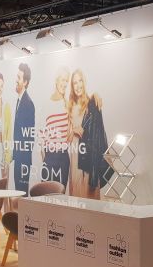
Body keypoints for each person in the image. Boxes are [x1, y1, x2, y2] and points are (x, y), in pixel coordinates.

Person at [68, 69, 110, 199]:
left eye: (80, 81)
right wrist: (73, 130)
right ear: (72, 86)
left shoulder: (92, 103)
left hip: (88, 158)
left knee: (90, 197)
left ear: (84, 82)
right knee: (76, 197)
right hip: (75, 157)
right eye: (75, 83)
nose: (78, 85)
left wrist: (96, 94)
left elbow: (97, 136)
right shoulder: (70, 106)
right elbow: (67, 139)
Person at [40, 67, 70, 189]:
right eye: (62, 79)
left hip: (63, 158)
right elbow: (41, 138)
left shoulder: (67, 105)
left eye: (67, 81)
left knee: (60, 196)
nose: (65, 83)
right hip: (49, 157)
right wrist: (46, 159)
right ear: (56, 80)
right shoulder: (46, 105)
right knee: (46, 195)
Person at [12, 63, 35, 193]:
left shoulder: (28, 104)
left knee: (22, 194)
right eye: (16, 76)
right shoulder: (20, 101)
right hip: (18, 159)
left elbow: (29, 136)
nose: (16, 80)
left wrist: (22, 160)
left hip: (23, 160)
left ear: (25, 82)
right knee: (18, 193)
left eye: (19, 77)